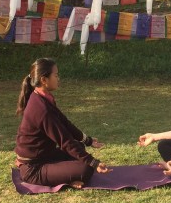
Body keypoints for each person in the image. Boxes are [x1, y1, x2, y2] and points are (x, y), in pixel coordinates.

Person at [15, 58, 111, 188]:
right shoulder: (42, 109)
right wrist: (94, 163)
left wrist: (87, 140)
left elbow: (65, 123)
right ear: (44, 80)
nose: (58, 78)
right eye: (55, 75)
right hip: (33, 169)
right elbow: (65, 141)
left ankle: (64, 175)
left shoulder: (42, 97)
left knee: (79, 147)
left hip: (45, 156)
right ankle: (65, 178)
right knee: (86, 169)